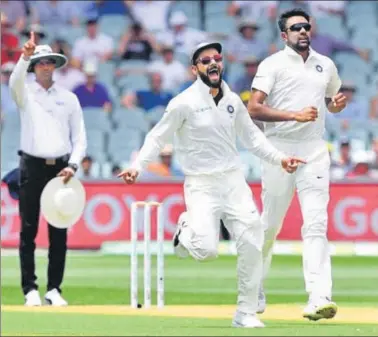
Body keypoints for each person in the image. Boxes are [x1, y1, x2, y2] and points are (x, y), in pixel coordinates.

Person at [118, 41, 305, 328]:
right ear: (195, 69)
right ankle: (185, 229)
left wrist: (280, 158)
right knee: (207, 251)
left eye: (216, 58)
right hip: (201, 184)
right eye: (205, 60)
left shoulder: (231, 100)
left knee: (252, 241)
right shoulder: (183, 103)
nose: (213, 63)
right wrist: (137, 166)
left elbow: (252, 139)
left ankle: (245, 312)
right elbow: (158, 137)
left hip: (233, 182)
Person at [248, 8, 347, 321]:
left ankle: (319, 297)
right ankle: (252, 289)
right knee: (269, 226)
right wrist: (293, 115)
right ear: (283, 35)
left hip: (314, 151)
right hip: (280, 152)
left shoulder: (325, 65)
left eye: (305, 26)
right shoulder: (272, 65)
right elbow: (253, 108)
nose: (302, 32)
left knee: (316, 224)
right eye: (295, 28)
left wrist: (336, 105)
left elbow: (331, 100)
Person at [9, 32, 87, 307]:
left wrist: (73, 164)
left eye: (49, 62)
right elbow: (14, 83)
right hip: (31, 165)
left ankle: (54, 289)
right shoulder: (25, 94)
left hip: (61, 170)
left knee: (59, 230)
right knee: (28, 230)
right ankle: (30, 289)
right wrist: (23, 57)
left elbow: (80, 137)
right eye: (40, 62)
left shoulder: (68, 98)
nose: (45, 66)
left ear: (54, 66)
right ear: (34, 66)